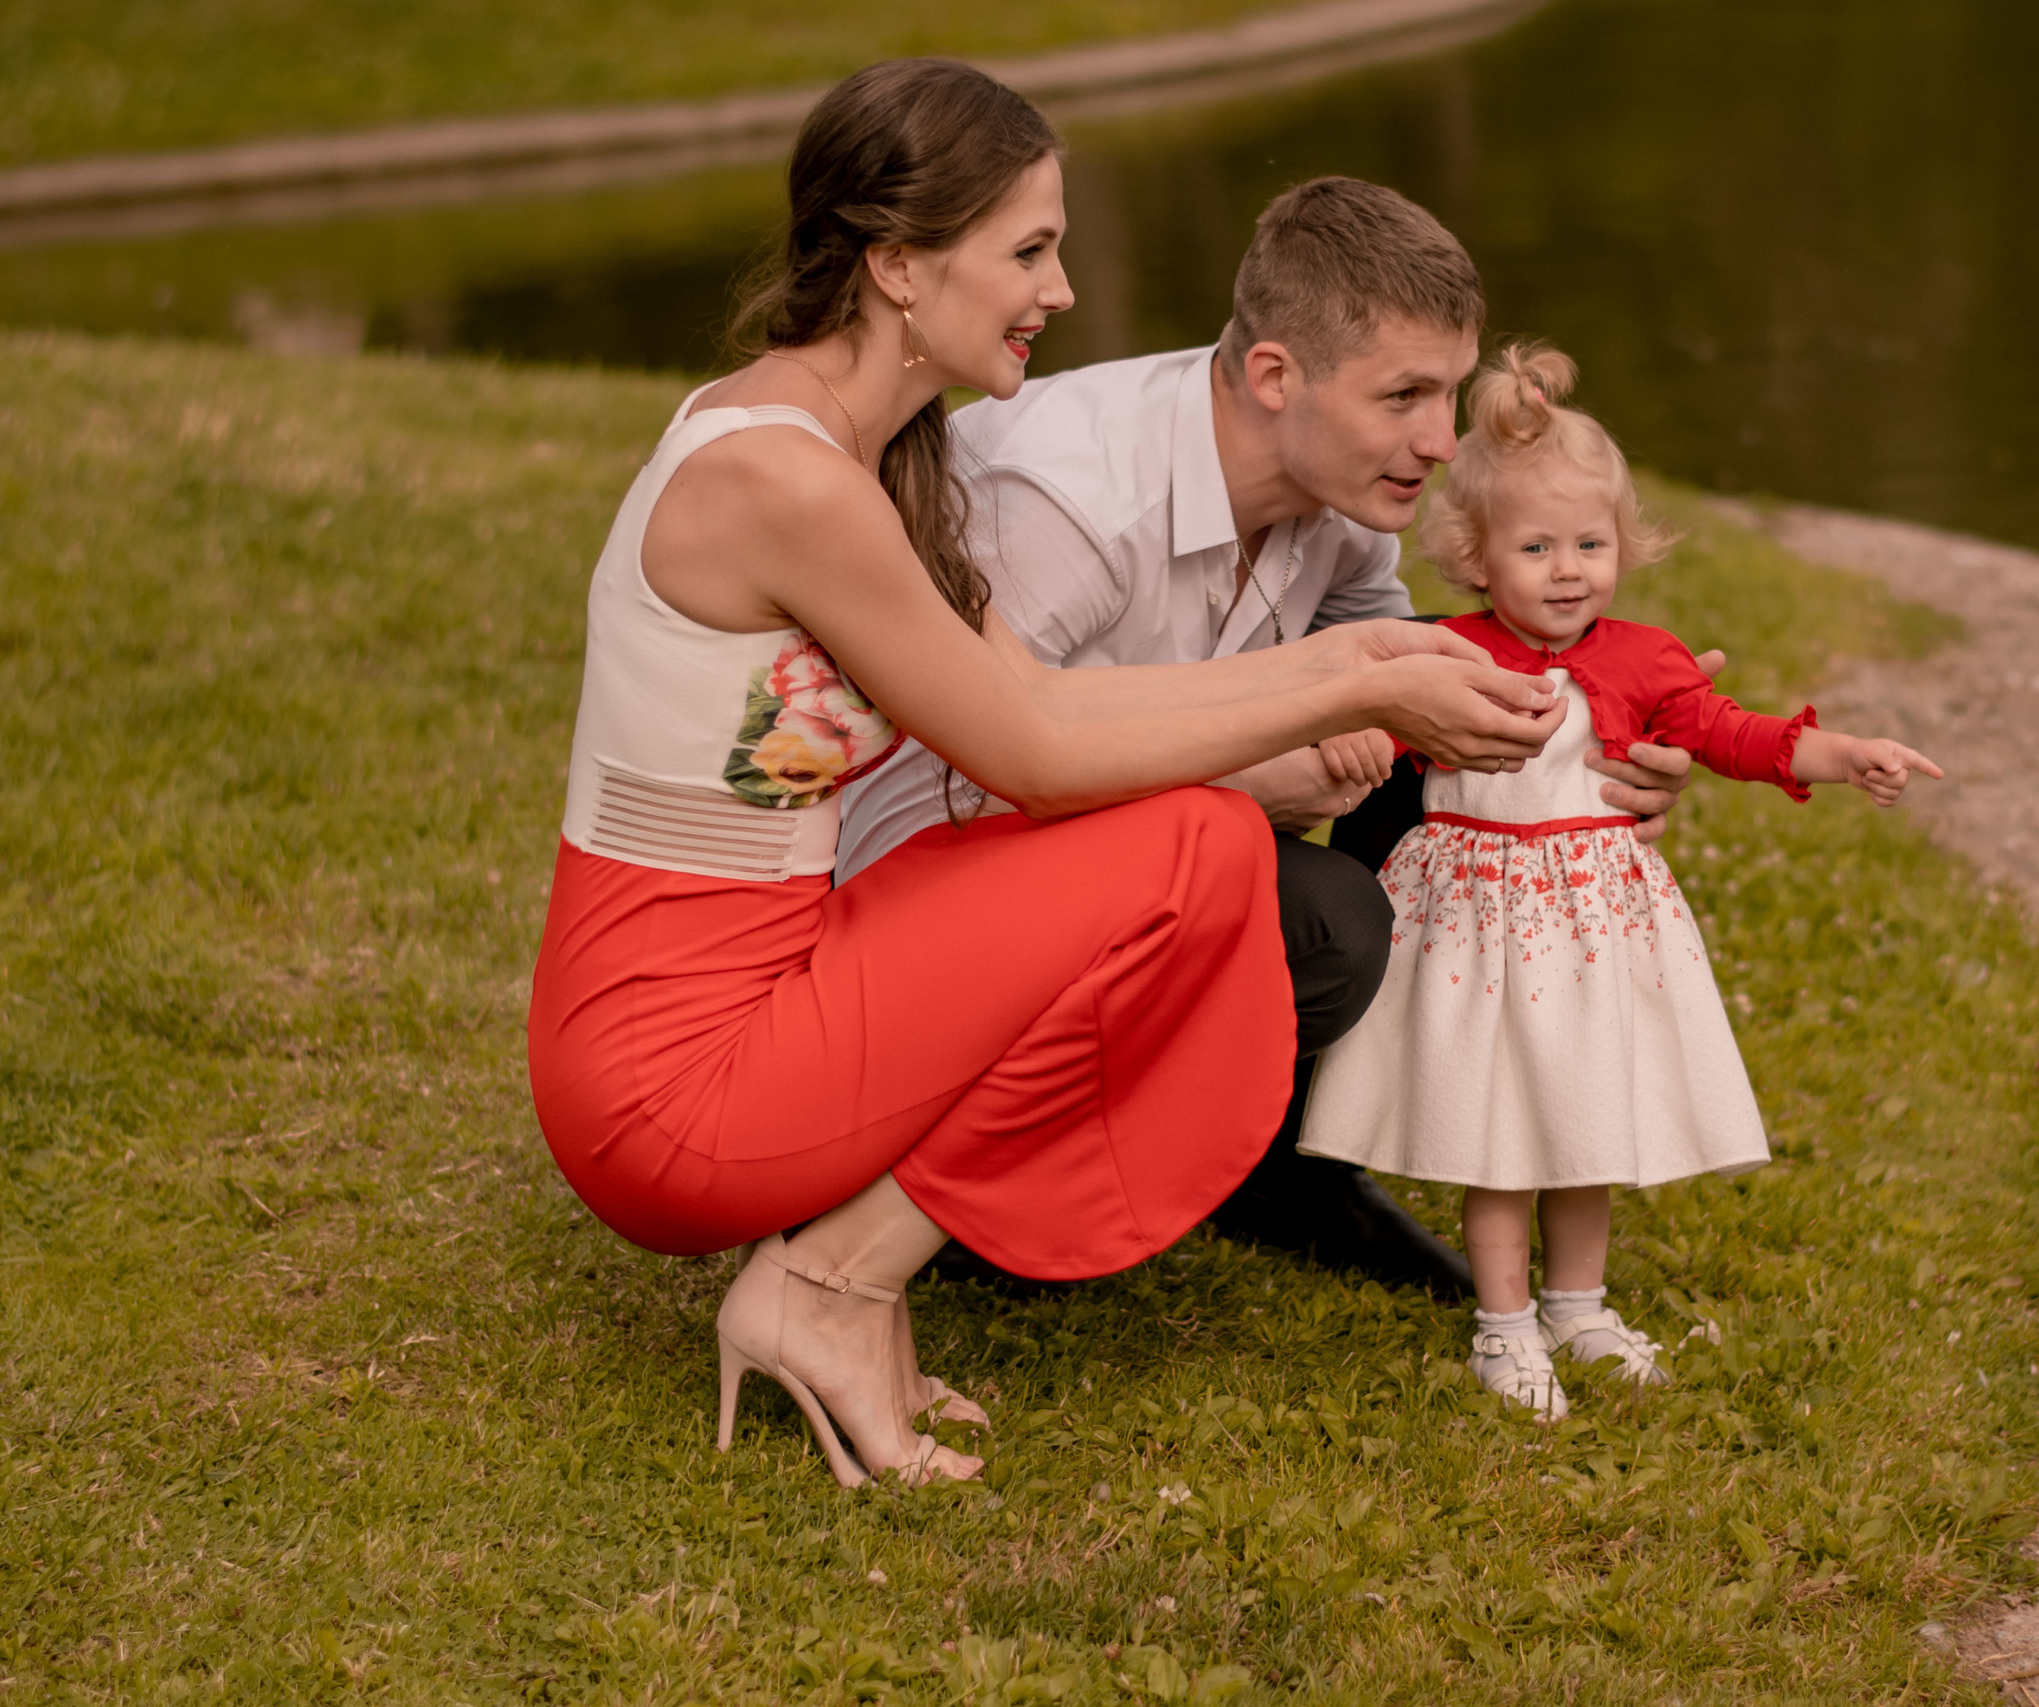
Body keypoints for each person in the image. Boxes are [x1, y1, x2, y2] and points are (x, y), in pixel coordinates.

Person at [524, 61, 1565, 1489]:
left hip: (777, 981)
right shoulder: (785, 482)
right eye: (1026, 250)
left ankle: (855, 1280)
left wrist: (1373, 664)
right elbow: (1036, 750)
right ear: (898, 267)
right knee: (1189, 848)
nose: (1060, 290)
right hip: (668, 1072)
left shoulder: (877, 454)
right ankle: (822, 1286)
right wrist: (1358, 673)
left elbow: (1037, 702)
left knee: (1203, 845)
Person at [834, 178, 1702, 1297]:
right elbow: (945, 794)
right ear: (1274, 376)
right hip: (917, 917)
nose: (1440, 442)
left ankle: (1280, 1164)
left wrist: (1592, 743)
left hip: (1114, 844)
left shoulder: (1339, 496)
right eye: (1404, 397)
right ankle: (961, 1183)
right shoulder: (1065, 503)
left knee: (1452, 675)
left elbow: (1397, 669)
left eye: (1447, 396)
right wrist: (1253, 774)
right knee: (1332, 914)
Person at [1297, 344, 1943, 1418]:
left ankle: (1578, 1306)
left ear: (1622, 547)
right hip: (1474, 924)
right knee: (1499, 1130)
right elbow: (1372, 738)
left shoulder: (1645, 660)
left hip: (1590, 930)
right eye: (1536, 545)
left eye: (1589, 544)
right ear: (1475, 554)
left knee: (1580, 1123)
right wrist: (1355, 743)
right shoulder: (1441, 652)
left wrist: (1847, 754)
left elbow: (1732, 735)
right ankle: (1503, 1328)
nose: (1566, 570)